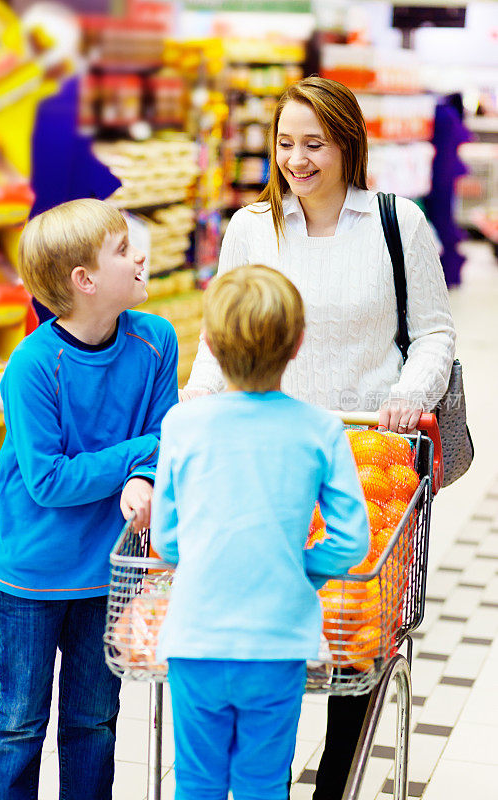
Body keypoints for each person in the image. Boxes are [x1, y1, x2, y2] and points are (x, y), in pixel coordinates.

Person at [182, 77, 456, 799]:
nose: (295, 160)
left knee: (353, 629)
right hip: (266, 456)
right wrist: (197, 405)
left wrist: (406, 396)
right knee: (269, 623)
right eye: (283, 144)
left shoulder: (398, 224)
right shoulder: (251, 227)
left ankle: (333, 782)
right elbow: (220, 335)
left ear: (347, 144)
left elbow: (433, 335)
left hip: (369, 454)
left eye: (313, 144)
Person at [150, 264, 370, 800]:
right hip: (278, 641)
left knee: (198, 780)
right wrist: (302, 568)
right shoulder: (320, 429)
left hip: (197, 636)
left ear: (206, 342)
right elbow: (352, 541)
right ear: (297, 344)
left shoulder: (183, 424)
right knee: (263, 782)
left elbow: (166, 538)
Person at [0, 198, 178, 800]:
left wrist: (145, 469)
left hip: (108, 574)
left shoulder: (156, 339)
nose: (140, 256)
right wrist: (139, 454)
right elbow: (49, 481)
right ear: (85, 281)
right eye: (123, 249)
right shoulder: (34, 366)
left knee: (93, 723)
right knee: (18, 723)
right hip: (32, 577)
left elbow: (161, 443)